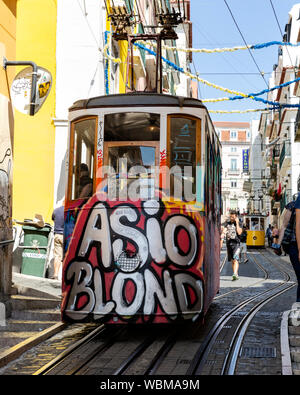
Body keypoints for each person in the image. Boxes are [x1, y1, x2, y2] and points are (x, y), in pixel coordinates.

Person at [221, 211, 243, 281]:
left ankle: (235, 273)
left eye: (233, 217)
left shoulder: (240, 223)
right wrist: (223, 234)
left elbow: (239, 232)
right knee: (232, 260)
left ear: (236, 217)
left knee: (236, 259)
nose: (231, 218)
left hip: (236, 244)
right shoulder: (227, 223)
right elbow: (224, 229)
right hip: (229, 244)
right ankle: (235, 273)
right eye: (230, 217)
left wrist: (237, 223)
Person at [51, 203, 64, 280]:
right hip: (66, 236)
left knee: (57, 256)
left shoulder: (56, 210)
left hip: (57, 235)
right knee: (66, 256)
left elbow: (53, 219)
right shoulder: (69, 211)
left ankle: (55, 275)